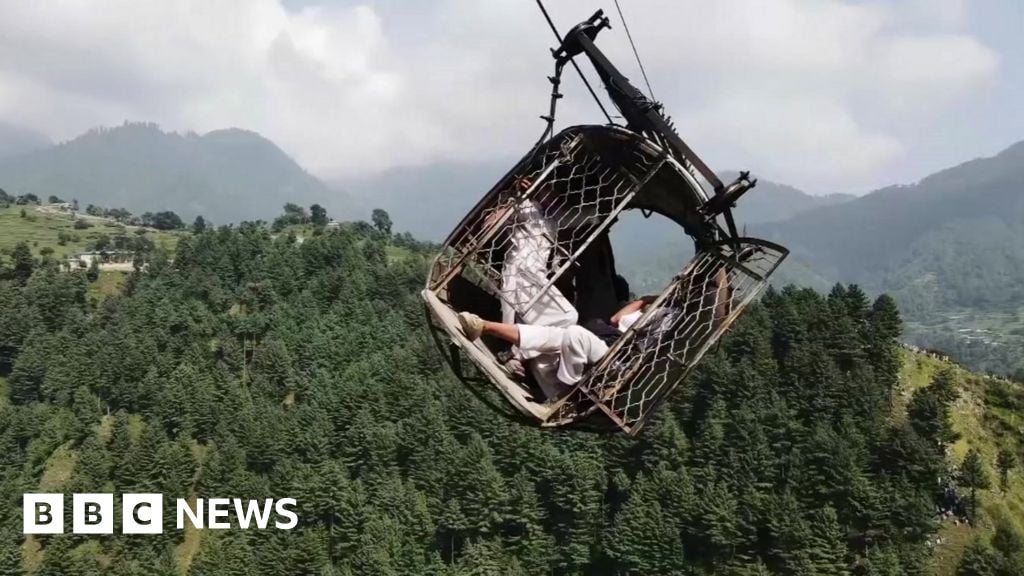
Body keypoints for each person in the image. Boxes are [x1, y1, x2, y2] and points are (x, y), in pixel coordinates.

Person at [458, 296, 655, 393]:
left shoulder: (672, 323)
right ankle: (484, 326)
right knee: (554, 334)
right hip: (608, 343)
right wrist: (646, 300)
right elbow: (616, 319)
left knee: (575, 332)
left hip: (622, 359)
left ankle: (568, 390)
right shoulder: (656, 307)